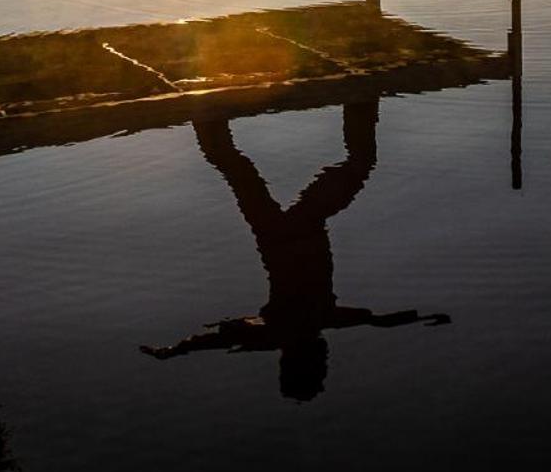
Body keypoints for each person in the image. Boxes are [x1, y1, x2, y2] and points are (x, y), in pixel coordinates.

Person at [139, 101, 450, 401]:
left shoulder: (318, 322)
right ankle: (207, 115)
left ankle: (361, 101)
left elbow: (378, 322)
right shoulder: (284, 332)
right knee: (235, 167)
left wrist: (423, 318)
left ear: (316, 359)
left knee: (358, 164)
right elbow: (379, 322)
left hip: (300, 227)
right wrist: (178, 349)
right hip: (276, 233)